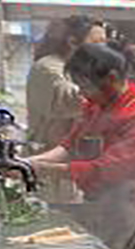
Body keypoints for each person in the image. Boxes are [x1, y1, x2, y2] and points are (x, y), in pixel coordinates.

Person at [28, 44, 135, 249]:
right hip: (101, 207)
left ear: (111, 78)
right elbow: (71, 144)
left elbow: (106, 171)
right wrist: (30, 163)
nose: (83, 95)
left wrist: (42, 169)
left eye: (85, 87)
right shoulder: (97, 106)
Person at [26, 16, 107, 151]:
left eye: (104, 42)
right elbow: (72, 99)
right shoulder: (47, 67)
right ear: (72, 42)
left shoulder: (83, 67)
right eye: (96, 42)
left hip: (74, 154)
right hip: (47, 154)